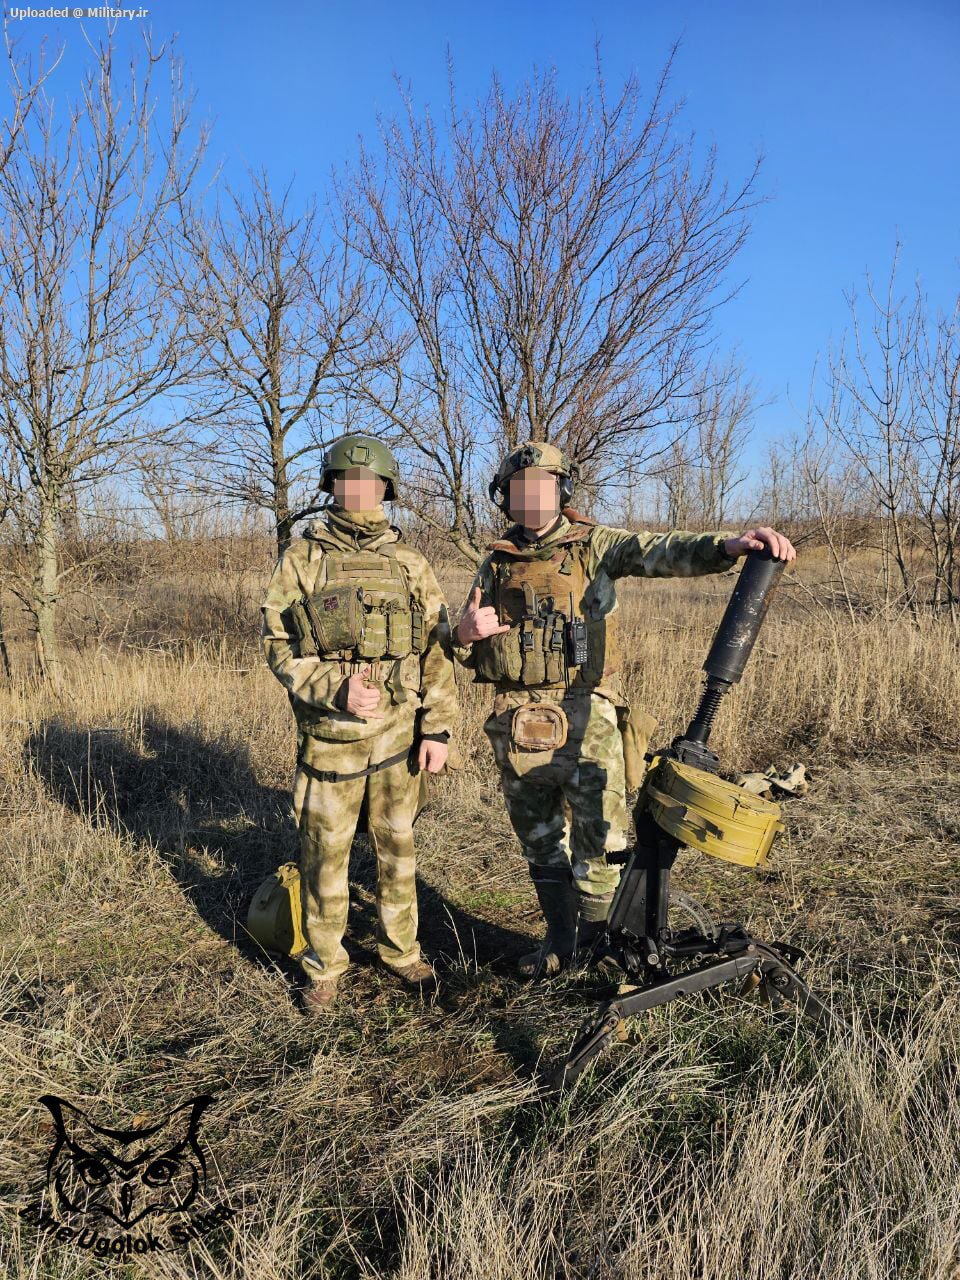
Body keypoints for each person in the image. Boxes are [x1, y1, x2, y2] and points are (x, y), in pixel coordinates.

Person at [454, 441, 796, 979]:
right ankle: (561, 946)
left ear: (561, 491)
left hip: (586, 714)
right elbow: (462, 636)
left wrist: (728, 546)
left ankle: (600, 952)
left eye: (542, 486)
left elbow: (657, 549)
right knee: (540, 837)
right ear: (507, 498)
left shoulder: (595, 546)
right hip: (516, 719)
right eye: (520, 490)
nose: (531, 498)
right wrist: (462, 634)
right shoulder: (496, 561)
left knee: (602, 839)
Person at [260, 434, 458, 1014]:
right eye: (347, 482)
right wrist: (333, 687)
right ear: (331, 487)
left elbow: (437, 651)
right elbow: (278, 646)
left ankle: (401, 951)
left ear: (386, 489)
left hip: (398, 737)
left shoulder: (409, 562)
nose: (358, 492)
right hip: (330, 739)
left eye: (369, 483)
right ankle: (324, 965)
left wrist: (437, 729)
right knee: (325, 851)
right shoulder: (302, 560)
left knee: (399, 848)